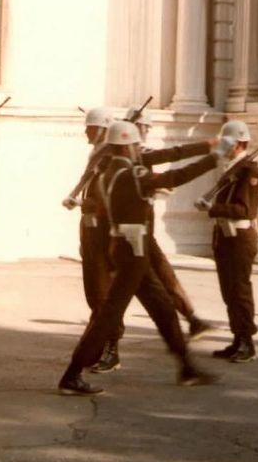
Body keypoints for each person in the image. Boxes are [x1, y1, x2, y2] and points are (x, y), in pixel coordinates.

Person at [58, 121, 231, 395]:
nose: (139, 148)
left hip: (127, 249)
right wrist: (214, 158)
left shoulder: (106, 172)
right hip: (132, 252)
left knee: (162, 308)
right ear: (127, 145)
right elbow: (175, 176)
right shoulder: (131, 174)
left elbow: (167, 162)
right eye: (136, 144)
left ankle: (187, 368)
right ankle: (72, 374)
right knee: (108, 315)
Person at [131, 107, 214, 344]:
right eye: (141, 127)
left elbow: (166, 164)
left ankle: (191, 320)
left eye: (144, 128)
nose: (143, 132)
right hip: (129, 234)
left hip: (144, 232)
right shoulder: (130, 157)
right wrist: (209, 150)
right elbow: (172, 157)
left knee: (165, 279)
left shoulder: (139, 155)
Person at [65, 107, 126, 374]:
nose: (86, 132)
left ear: (103, 129)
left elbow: (107, 200)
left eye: (90, 128)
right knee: (94, 295)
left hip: (104, 235)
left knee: (106, 296)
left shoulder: (111, 161)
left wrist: (84, 202)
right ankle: (99, 346)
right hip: (90, 233)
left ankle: (112, 349)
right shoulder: (97, 158)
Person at [202, 120, 258, 363]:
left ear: (239, 143)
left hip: (239, 238)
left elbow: (244, 209)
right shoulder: (232, 170)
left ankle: (247, 341)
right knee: (229, 292)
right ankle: (237, 337)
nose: (223, 147)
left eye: (227, 143)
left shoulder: (251, 173)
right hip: (225, 237)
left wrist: (213, 208)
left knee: (239, 291)